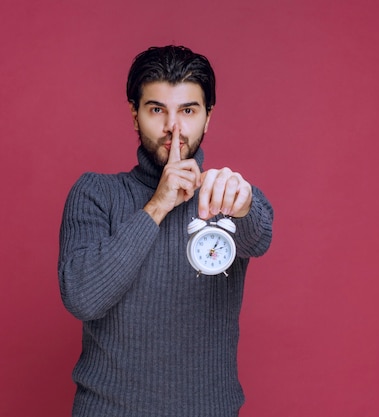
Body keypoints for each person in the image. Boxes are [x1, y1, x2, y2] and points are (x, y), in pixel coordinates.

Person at [58, 45, 274, 417]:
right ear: (134, 114)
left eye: (188, 111)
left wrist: (245, 206)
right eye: (157, 110)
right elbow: (81, 297)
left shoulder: (226, 194)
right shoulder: (95, 193)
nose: (173, 128)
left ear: (208, 118)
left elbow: (260, 237)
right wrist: (158, 205)